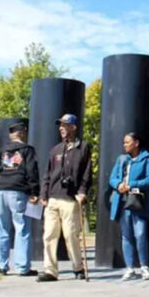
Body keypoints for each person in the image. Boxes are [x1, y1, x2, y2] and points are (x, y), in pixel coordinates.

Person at [37, 114, 91, 282]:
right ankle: (50, 270)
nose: (61, 128)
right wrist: (43, 194)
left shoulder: (83, 147)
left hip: (70, 198)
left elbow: (87, 173)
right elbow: (47, 173)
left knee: (70, 234)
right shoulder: (55, 150)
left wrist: (82, 191)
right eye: (60, 125)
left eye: (65, 125)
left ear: (73, 127)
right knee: (49, 235)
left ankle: (78, 267)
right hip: (53, 197)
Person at [0, 121, 40, 276]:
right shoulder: (27, 150)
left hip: (0, 191)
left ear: (11, 135)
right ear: (23, 132)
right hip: (18, 190)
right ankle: (22, 266)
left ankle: (2, 265)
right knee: (22, 228)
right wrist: (35, 191)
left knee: (2, 228)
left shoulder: (2, 150)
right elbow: (31, 171)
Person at [108, 132, 149, 281]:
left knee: (140, 233)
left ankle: (144, 266)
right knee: (126, 235)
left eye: (127, 142)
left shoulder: (147, 158)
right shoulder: (121, 159)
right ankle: (129, 268)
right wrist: (119, 184)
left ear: (136, 143)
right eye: (124, 142)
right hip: (123, 201)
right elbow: (112, 178)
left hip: (137, 202)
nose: (124, 145)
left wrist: (132, 185)